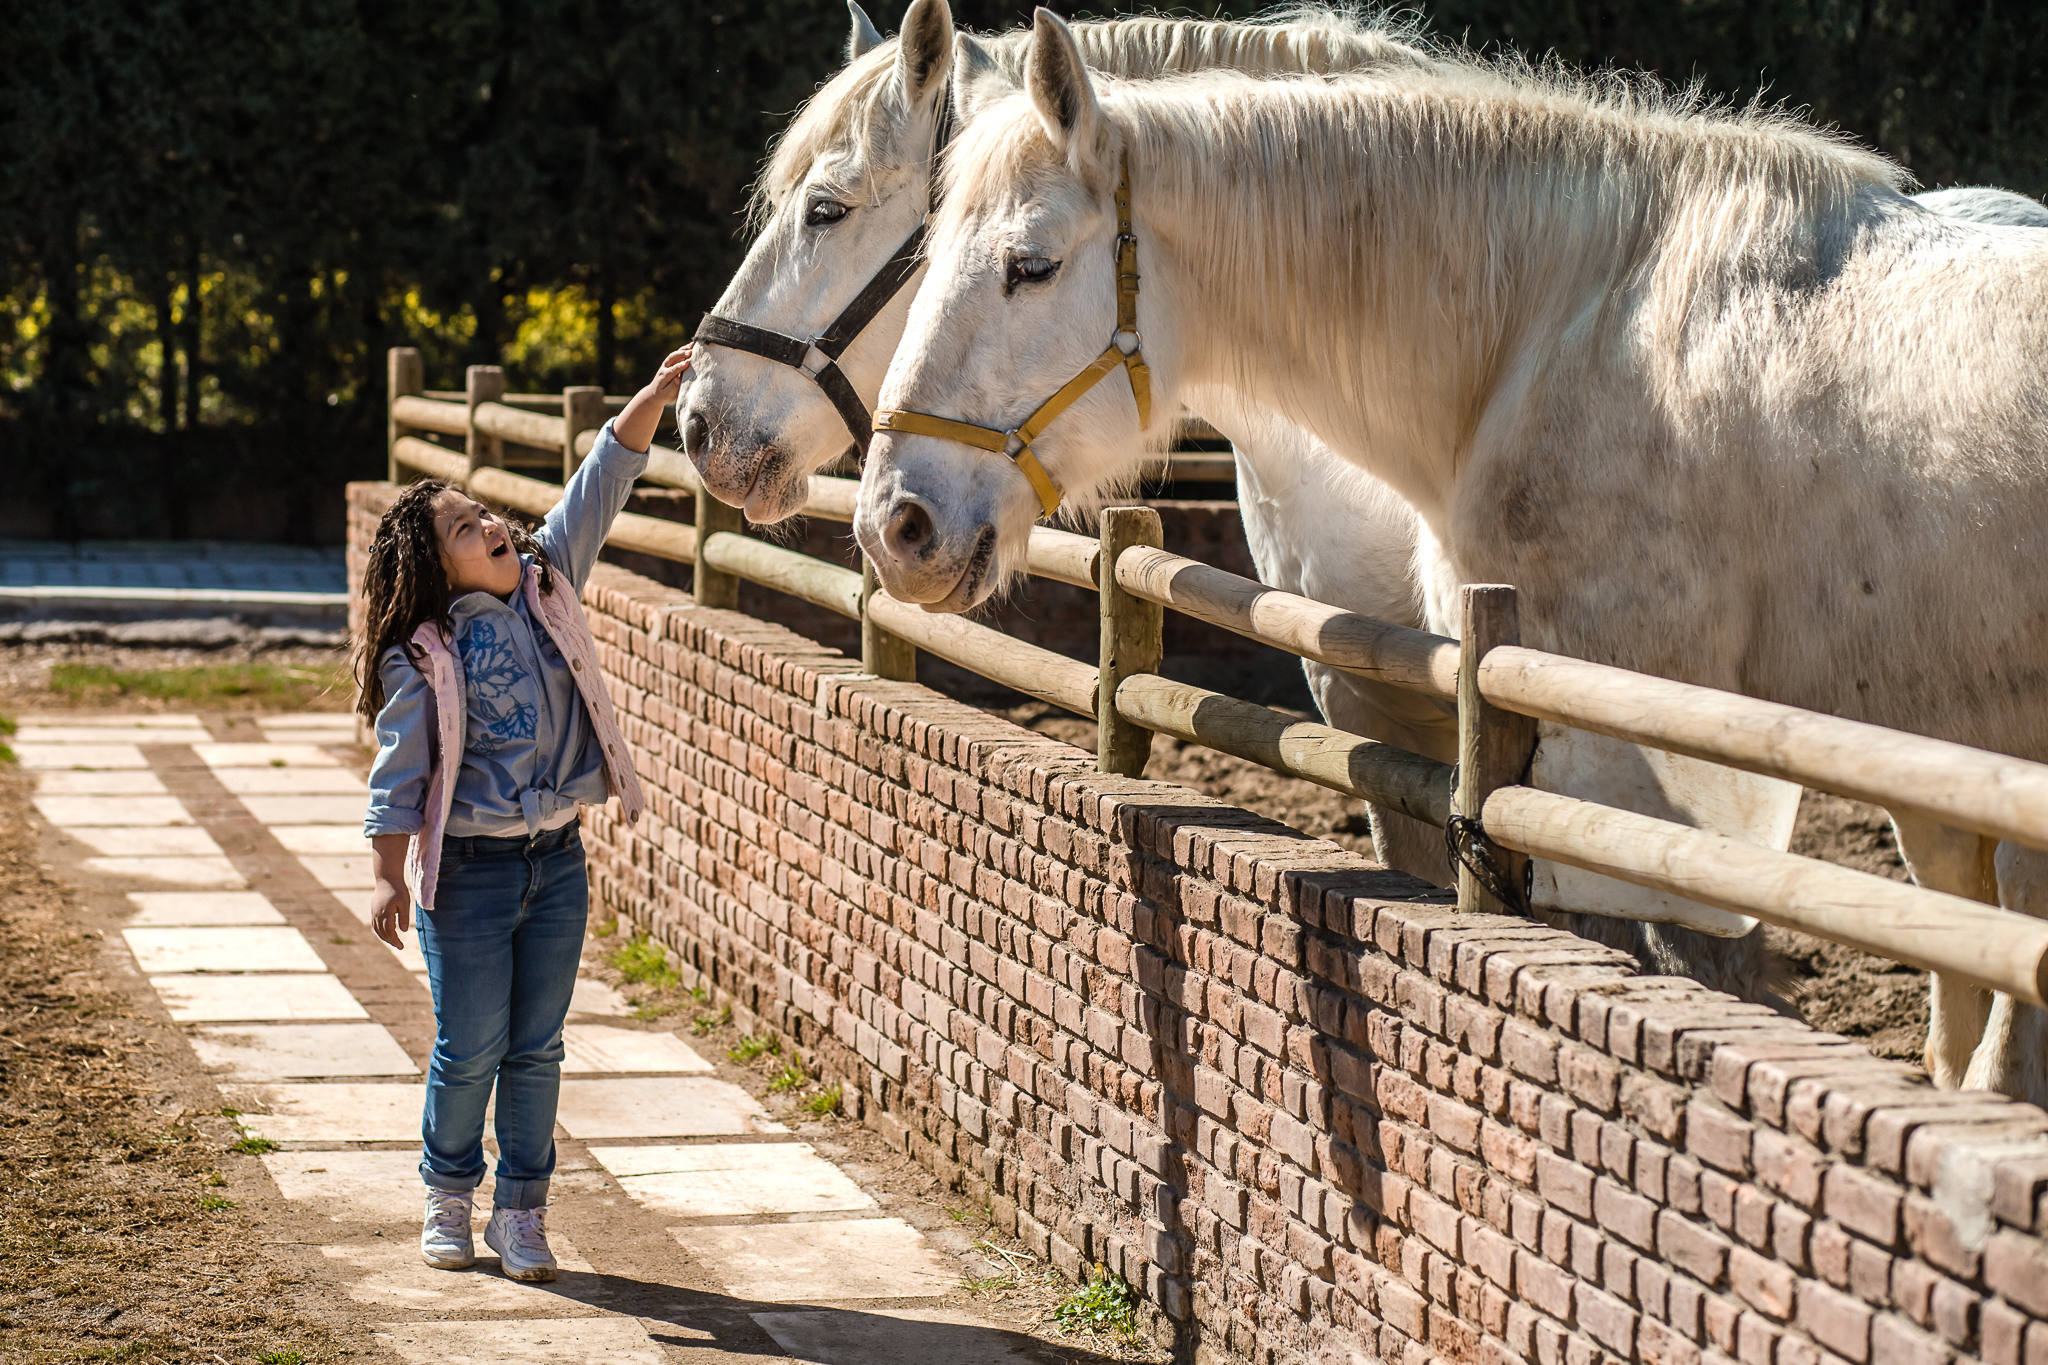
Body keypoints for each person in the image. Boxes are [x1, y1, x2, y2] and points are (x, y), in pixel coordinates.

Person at [353, 346, 690, 1280]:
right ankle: (449, 1194)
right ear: (437, 562)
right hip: (466, 873)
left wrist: (651, 400)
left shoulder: (548, 580)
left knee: (537, 1045)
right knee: (472, 1044)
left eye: (485, 512)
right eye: (467, 526)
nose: (492, 523)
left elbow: (597, 487)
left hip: (556, 863)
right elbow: (399, 771)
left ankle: (522, 1212)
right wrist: (388, 873)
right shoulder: (423, 656)